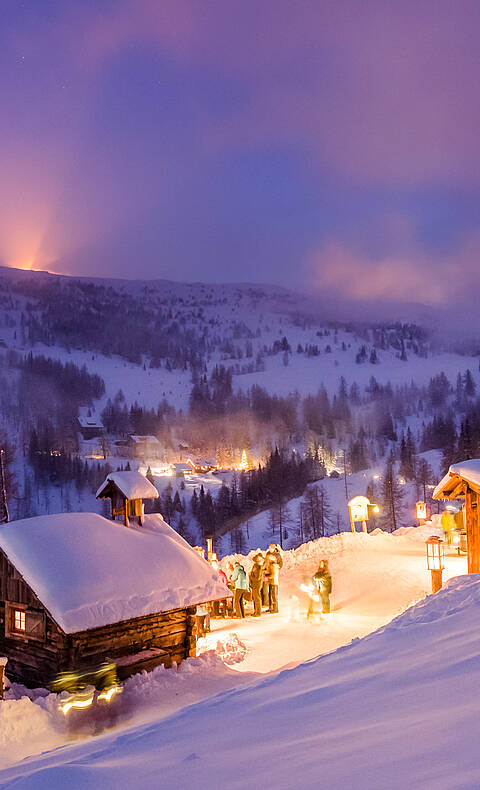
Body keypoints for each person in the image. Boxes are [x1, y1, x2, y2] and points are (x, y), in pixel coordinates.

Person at [264, 547, 280, 613]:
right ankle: (271, 608)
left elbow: (273, 575)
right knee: (271, 595)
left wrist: (267, 576)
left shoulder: (274, 566)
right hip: (271, 582)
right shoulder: (272, 566)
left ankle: (275, 609)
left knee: (274, 596)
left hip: (274, 582)